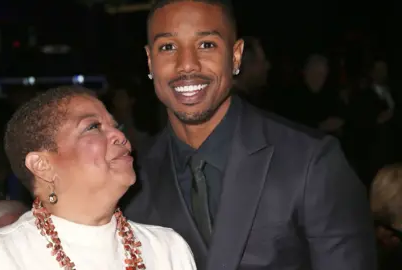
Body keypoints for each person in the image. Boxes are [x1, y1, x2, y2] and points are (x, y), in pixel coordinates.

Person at [124, 0, 376, 269]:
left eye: (206, 44)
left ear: (235, 56)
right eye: (168, 47)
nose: (187, 65)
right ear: (150, 61)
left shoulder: (310, 162)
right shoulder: (129, 177)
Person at [0, 86, 196, 270]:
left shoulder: (168, 248)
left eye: (116, 126)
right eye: (93, 127)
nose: (119, 136)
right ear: (42, 165)